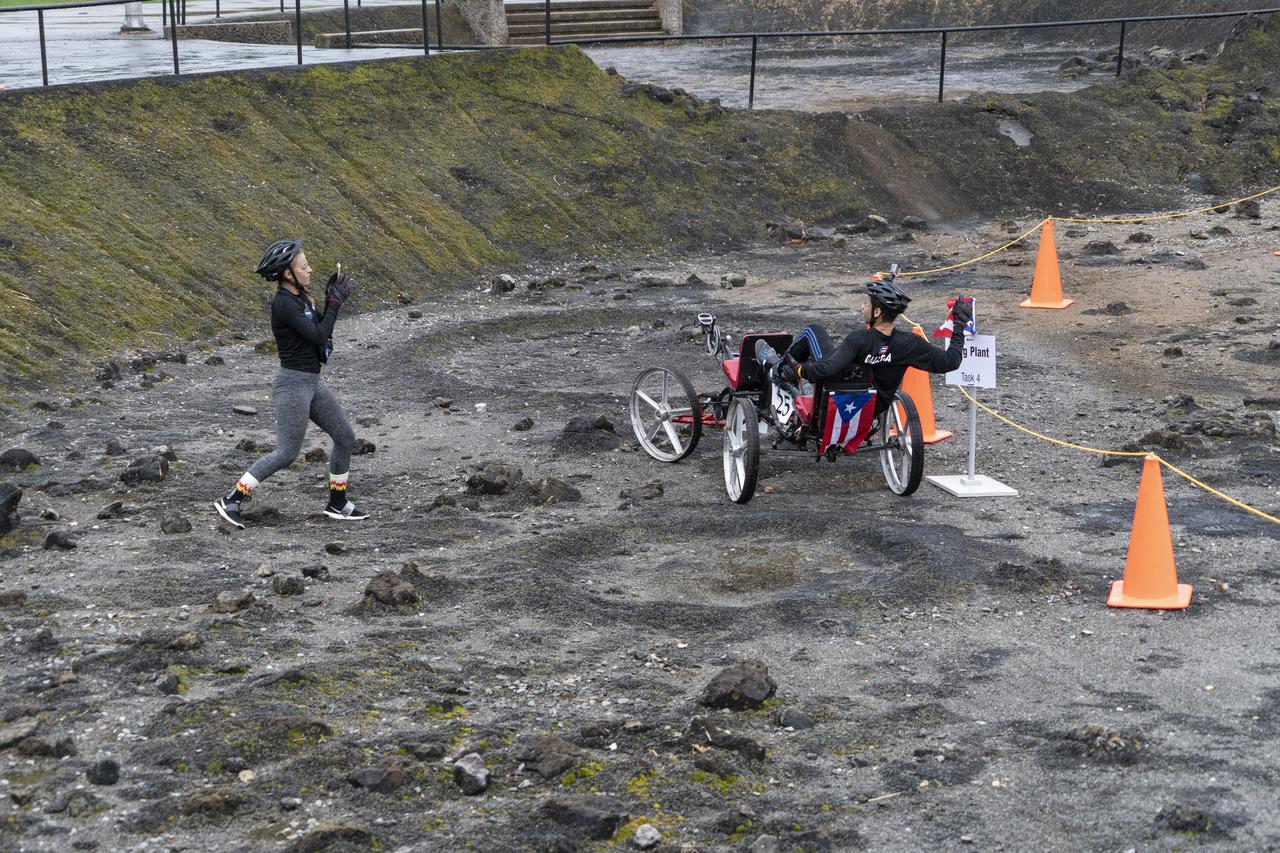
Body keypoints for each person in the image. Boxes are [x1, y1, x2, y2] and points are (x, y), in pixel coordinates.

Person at [213, 239, 369, 529]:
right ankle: (231, 499)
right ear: (287, 273)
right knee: (286, 453)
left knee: (345, 438)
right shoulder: (283, 303)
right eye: (304, 266)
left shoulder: (301, 299)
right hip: (293, 385)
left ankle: (337, 503)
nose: (310, 270)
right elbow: (318, 335)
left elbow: (320, 329)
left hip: (311, 382)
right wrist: (335, 304)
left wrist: (329, 298)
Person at [774, 276, 971, 410]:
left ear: (877, 312)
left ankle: (777, 368)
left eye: (866, 303)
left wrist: (798, 371)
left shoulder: (859, 339)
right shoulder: (910, 343)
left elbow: (826, 370)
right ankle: (792, 375)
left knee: (814, 330)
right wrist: (959, 326)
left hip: (835, 404)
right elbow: (950, 361)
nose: (862, 307)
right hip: (873, 409)